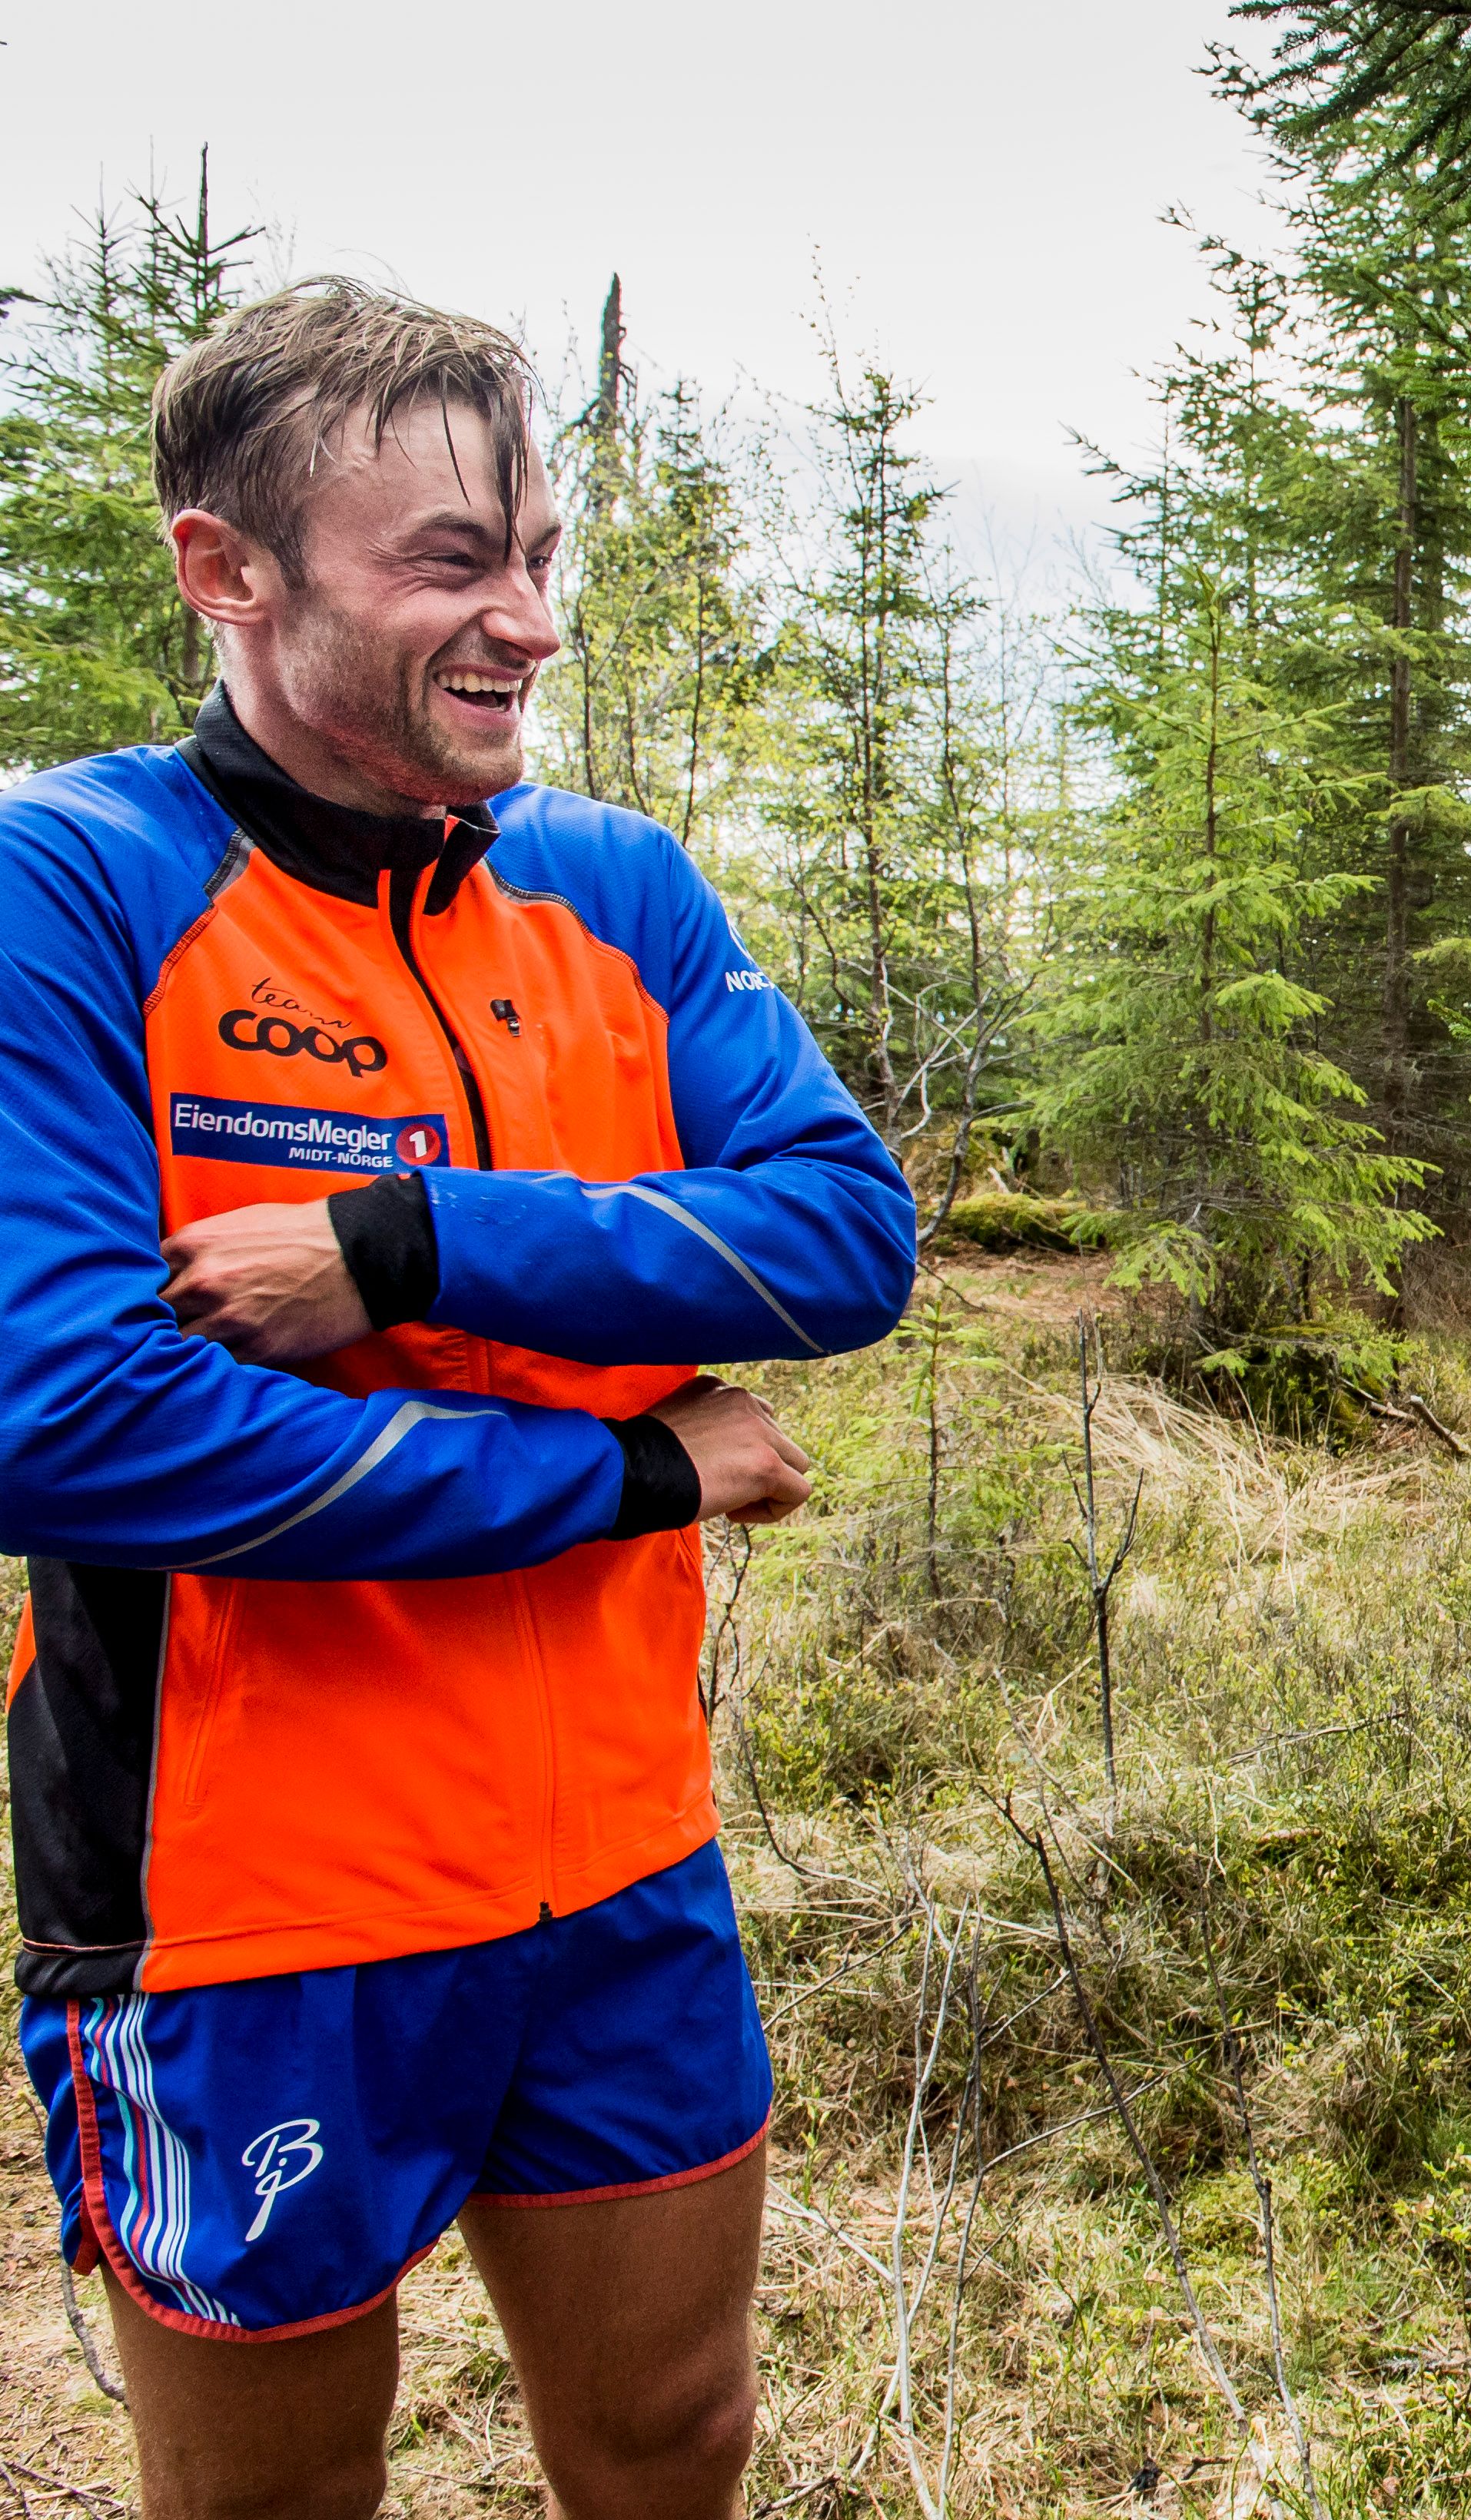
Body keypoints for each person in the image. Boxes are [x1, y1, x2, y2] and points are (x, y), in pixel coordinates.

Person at [0, 282, 915, 2518]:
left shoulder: (616, 885)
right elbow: (62, 1414)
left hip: (622, 1860)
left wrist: (406, 1242)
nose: (528, 621)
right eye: (450, 562)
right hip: (246, 1903)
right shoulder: (74, 881)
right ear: (227, 568)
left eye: (538, 556)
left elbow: (842, 1234)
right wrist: (620, 1471)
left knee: (677, 2437)